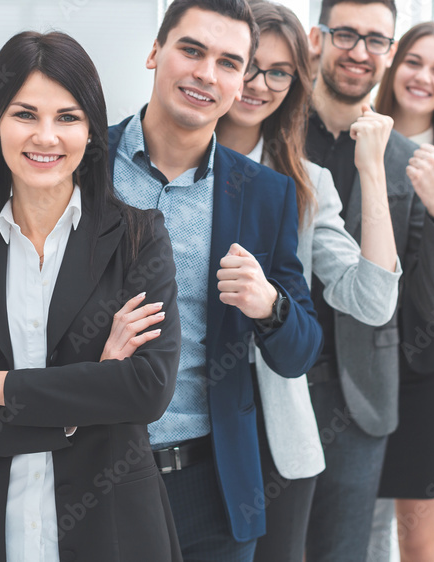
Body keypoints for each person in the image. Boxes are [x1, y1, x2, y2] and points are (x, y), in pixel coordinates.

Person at [0, 31, 183, 562]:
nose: (46, 136)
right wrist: (81, 401)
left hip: (113, 535)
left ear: (92, 131)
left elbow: (145, 389)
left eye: (68, 117)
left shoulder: (139, 239)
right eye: (25, 114)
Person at [108, 0, 323, 558]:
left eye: (230, 62)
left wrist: (269, 305)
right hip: (93, 472)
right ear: (155, 52)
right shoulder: (83, 162)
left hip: (211, 486)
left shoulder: (265, 194)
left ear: (239, 83)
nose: (207, 73)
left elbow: (301, 351)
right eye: (192, 50)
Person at [213, 1, 401, 560]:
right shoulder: (168, 158)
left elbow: (371, 300)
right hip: (180, 421)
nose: (258, 84)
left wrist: (372, 169)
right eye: (247, 64)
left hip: (273, 425)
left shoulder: (306, 180)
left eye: (279, 72)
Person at [304, 0, 434, 559]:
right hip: (266, 386)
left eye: (376, 40)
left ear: (390, 54)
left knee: (343, 551)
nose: (359, 51)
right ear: (315, 39)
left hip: (360, 394)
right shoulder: (271, 136)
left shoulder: (406, 159)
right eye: (345, 34)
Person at [365, 21, 434, 562]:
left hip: (429, 374)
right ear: (392, 64)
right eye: (413, 61)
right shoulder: (355, 141)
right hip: (356, 369)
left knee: (418, 542)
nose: (423, 77)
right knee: (346, 533)